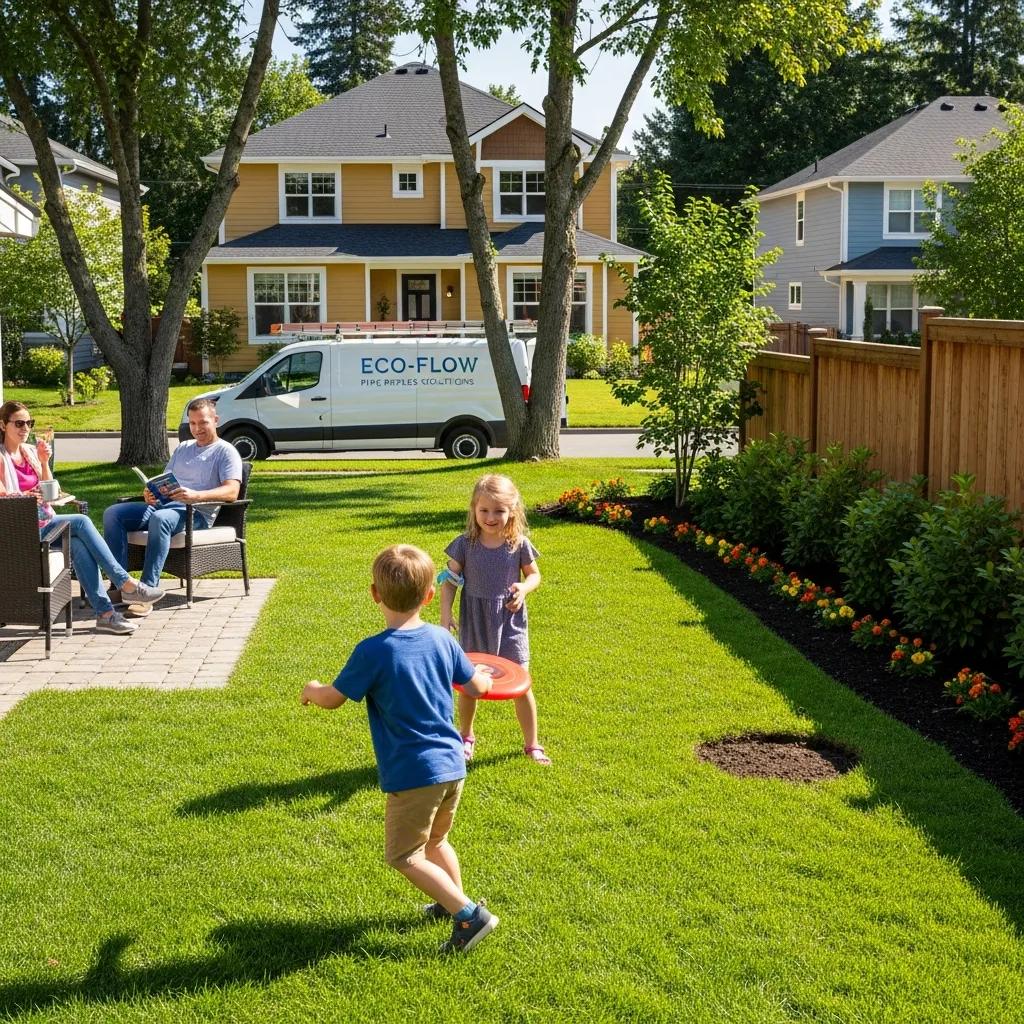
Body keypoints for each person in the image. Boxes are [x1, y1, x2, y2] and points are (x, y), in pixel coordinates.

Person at [301, 544, 500, 954]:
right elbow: (478, 687)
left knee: (403, 856)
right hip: (452, 766)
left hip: (414, 775)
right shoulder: (443, 641)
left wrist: (312, 690)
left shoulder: (374, 651)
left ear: (374, 593)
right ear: (430, 596)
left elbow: (334, 698)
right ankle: (451, 905)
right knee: (437, 842)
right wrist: (484, 673)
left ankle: (468, 915)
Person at [0, 400, 164, 635]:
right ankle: (126, 584)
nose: (25, 428)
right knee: (82, 521)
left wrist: (45, 462)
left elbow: (49, 490)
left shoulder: (28, 453)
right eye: (19, 423)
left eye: (29, 422)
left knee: (77, 545)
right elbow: (3, 498)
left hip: (44, 524)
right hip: (20, 529)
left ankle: (106, 615)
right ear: (3, 425)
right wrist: (26, 496)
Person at [439, 474, 550, 766]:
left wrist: (524, 589)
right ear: (474, 509)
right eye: (484, 510)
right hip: (475, 620)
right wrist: (445, 613)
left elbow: (535, 575)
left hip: (509, 622)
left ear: (512, 510)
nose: (491, 517)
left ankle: (532, 744)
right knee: (468, 684)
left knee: (522, 684)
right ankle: (466, 736)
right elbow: (449, 581)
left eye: (499, 511)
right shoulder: (464, 544)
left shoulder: (518, 544)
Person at [103, 397, 243, 617]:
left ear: (215, 420)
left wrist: (196, 495)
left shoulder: (225, 452)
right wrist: (150, 493)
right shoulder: (184, 448)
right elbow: (165, 480)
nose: (197, 429)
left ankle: (147, 590)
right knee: (113, 514)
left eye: (203, 422)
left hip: (195, 513)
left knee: (161, 519)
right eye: (193, 423)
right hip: (165, 506)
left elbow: (232, 492)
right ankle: (120, 585)